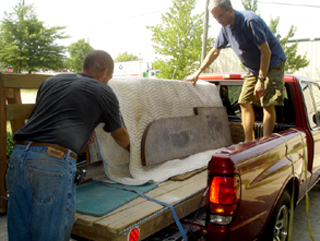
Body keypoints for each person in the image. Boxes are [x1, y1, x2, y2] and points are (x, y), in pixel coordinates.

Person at [5, 50, 130, 241]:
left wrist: (81, 131)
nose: (108, 82)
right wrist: (136, 152)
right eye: (109, 78)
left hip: (18, 156)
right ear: (104, 73)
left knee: (20, 235)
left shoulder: (51, 81)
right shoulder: (104, 90)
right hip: (51, 165)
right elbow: (119, 135)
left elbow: (49, 117)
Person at [185, 0, 287, 142]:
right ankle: (248, 142)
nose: (218, 21)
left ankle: (265, 143)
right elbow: (215, 51)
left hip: (272, 62)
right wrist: (198, 72)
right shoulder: (226, 28)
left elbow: (266, 52)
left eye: (220, 16)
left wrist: (261, 80)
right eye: (215, 18)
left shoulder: (249, 21)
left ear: (230, 9)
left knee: (267, 102)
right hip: (254, 69)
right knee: (244, 102)